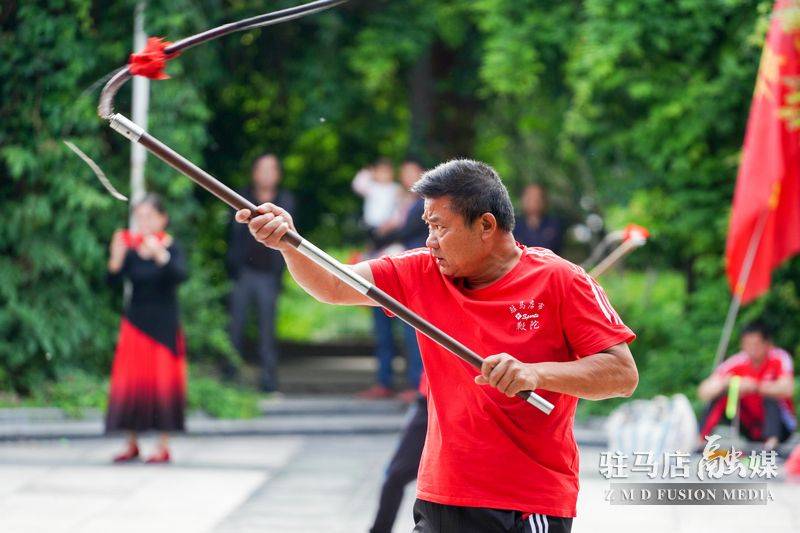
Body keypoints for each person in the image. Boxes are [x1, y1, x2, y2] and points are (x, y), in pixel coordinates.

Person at [236, 159, 638, 532]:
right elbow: (333, 284)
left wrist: (536, 372)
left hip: (526, 502)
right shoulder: (421, 271)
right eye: (427, 225)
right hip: (442, 494)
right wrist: (290, 244)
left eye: (440, 227)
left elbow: (622, 374)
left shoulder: (561, 280)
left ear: (485, 225)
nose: (430, 241)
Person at [106, 194, 188, 464]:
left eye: (149, 216)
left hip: (163, 326)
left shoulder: (170, 246)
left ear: (162, 218)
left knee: (162, 384)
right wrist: (116, 258)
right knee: (130, 384)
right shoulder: (131, 248)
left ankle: (162, 445)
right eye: (139, 217)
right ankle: (131, 442)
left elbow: (179, 275)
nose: (143, 222)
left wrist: (159, 254)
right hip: (135, 323)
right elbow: (112, 281)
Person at [227, 154, 295, 392]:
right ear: (254, 172)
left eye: (271, 169)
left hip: (268, 276)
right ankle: (231, 380)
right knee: (235, 326)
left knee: (268, 330)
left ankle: (269, 381)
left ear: (278, 174)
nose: (266, 174)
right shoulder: (240, 197)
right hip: (243, 272)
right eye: (262, 169)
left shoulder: (285, 200)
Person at [698, 321, 796, 451]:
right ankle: (700, 440)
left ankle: (771, 443)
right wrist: (728, 382)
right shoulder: (737, 362)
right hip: (750, 426)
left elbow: (787, 389)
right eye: (747, 344)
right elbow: (703, 392)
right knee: (721, 394)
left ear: (767, 344)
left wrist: (756, 386)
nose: (752, 349)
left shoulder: (779, 357)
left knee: (770, 393)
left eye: (756, 344)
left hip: (782, 428)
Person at [513, 183, 564, 254]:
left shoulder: (554, 224)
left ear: (544, 200)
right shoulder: (513, 225)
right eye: (529, 197)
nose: (533, 201)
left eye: (537, 197)